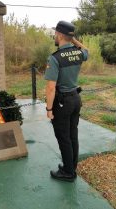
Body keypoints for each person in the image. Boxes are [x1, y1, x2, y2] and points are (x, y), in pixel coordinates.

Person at [44, 20, 88, 182]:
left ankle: (68, 173)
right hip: (76, 99)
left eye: (56, 33)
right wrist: (73, 40)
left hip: (62, 102)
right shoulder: (78, 52)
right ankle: (71, 166)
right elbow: (87, 51)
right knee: (72, 135)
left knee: (63, 137)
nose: (54, 36)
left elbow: (50, 87)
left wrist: (49, 109)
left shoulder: (55, 58)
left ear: (60, 35)